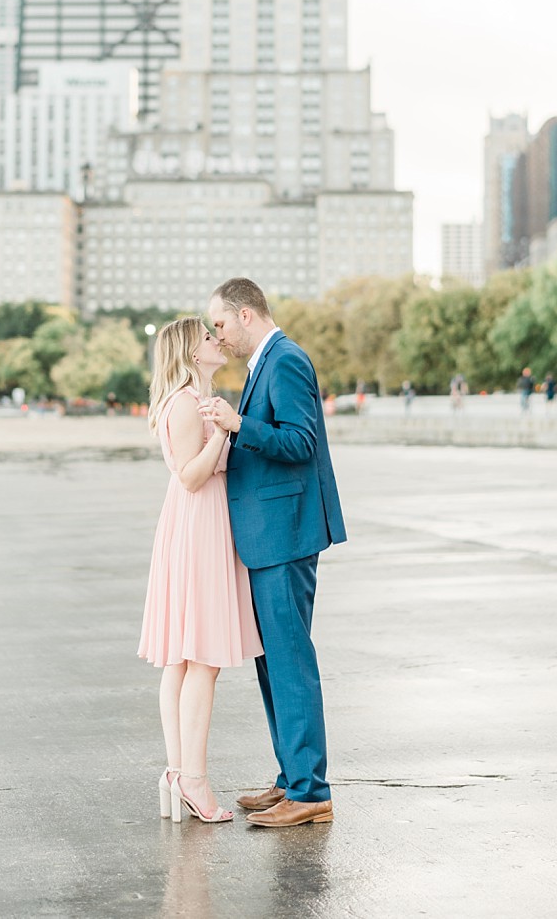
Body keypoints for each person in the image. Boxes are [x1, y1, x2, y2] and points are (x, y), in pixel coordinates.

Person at [202, 277, 347, 828]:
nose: (219, 334)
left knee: (290, 662)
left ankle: (311, 791)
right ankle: (292, 779)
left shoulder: (285, 359)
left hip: (285, 535)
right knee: (273, 662)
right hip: (270, 536)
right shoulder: (267, 361)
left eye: (219, 323)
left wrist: (241, 425)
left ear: (245, 315)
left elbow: (300, 442)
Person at [138, 317, 262, 825]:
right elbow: (190, 477)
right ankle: (193, 778)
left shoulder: (193, 400)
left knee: (183, 659)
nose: (218, 341)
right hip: (197, 524)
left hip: (194, 527)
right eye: (208, 338)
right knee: (200, 658)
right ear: (192, 353)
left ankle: (178, 772)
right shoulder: (188, 403)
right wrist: (224, 433)